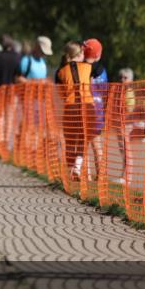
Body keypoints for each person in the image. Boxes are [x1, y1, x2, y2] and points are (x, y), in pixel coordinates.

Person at [55, 41, 93, 182]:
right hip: (87, 107)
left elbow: (61, 94)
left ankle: (70, 170)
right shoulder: (89, 67)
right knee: (83, 139)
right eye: (83, 52)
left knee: (70, 140)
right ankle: (77, 167)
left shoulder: (60, 72)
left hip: (70, 107)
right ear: (78, 54)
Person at [83, 38, 108, 180]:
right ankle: (101, 175)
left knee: (84, 144)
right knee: (97, 145)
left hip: (85, 107)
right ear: (98, 55)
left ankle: (87, 176)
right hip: (98, 109)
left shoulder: (82, 69)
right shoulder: (103, 70)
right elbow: (105, 89)